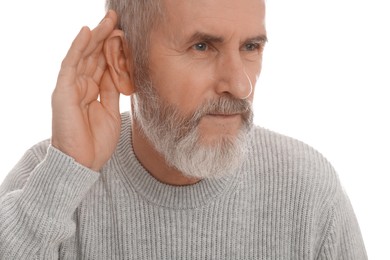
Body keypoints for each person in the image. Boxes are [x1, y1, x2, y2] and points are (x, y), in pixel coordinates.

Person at [0, 0, 367, 259]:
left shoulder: (309, 190)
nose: (240, 86)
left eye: (251, 46)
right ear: (125, 61)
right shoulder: (47, 182)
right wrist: (65, 173)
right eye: (202, 46)